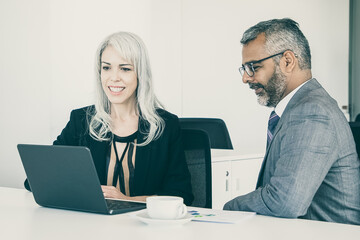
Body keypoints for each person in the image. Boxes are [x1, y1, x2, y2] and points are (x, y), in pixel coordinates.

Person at [24, 32, 194, 205]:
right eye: (106, 68)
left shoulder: (165, 125)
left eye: (125, 69)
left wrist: (127, 200)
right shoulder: (81, 121)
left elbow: (181, 195)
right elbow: (36, 180)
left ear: (140, 74)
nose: (114, 77)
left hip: (143, 227)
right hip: (92, 226)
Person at [223, 18, 360, 225]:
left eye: (253, 67)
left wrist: (228, 209)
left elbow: (285, 201)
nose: (246, 78)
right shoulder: (302, 107)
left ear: (287, 61)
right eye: (244, 69)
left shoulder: (312, 112)